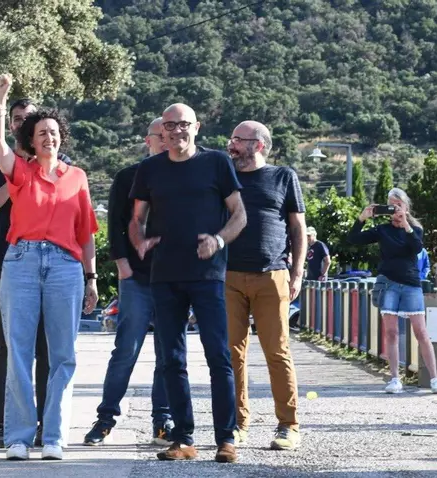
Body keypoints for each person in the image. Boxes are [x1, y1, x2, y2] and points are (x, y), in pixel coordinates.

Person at [129, 103, 246, 463]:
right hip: (165, 275)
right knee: (171, 360)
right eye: (170, 125)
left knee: (218, 356)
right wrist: (140, 241)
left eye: (183, 124)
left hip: (207, 276)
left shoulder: (216, 163)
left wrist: (218, 241)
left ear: (197, 127)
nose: (176, 130)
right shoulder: (150, 169)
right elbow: (136, 219)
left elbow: (240, 215)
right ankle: (183, 439)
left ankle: (226, 439)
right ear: (161, 131)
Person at [0, 73, 98, 461]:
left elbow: (86, 233)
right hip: (21, 262)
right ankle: (18, 438)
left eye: (53, 132)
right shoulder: (20, 171)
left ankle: (53, 436)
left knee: (63, 354)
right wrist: (0, 99)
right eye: (41, 133)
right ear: (31, 141)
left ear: (61, 137)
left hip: (66, 266)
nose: (48, 137)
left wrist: (91, 278)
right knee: (18, 351)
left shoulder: (77, 177)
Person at [0, 98, 70, 449]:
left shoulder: (62, 166)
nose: (22, 125)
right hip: (9, 262)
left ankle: (46, 426)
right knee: (8, 347)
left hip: (52, 265)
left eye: (29, 120)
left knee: (48, 347)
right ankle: (5, 424)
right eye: (18, 120)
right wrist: (17, 176)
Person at [84, 117, 172, 446]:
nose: (167, 139)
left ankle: (162, 421)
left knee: (168, 354)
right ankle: (105, 419)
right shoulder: (127, 177)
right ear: (148, 140)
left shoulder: (185, 174)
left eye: (171, 133)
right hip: (136, 277)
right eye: (160, 135)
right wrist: (122, 265)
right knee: (126, 350)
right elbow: (116, 225)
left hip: (172, 279)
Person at [225, 120, 306, 450]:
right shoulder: (224, 176)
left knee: (277, 351)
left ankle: (288, 425)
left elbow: (298, 229)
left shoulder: (283, 176)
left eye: (237, 139)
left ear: (257, 145)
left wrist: (297, 274)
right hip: (228, 276)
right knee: (231, 354)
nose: (231, 144)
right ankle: (236, 424)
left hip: (272, 275)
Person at [347, 188, 437, 394]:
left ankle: (435, 379)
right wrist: (362, 218)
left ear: (406, 207)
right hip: (388, 284)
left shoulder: (415, 229)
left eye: (398, 205)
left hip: (411, 285)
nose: (394, 209)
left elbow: (416, 248)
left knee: (421, 332)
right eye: (391, 205)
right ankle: (394, 379)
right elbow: (354, 239)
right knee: (391, 332)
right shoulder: (382, 230)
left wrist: (406, 224)